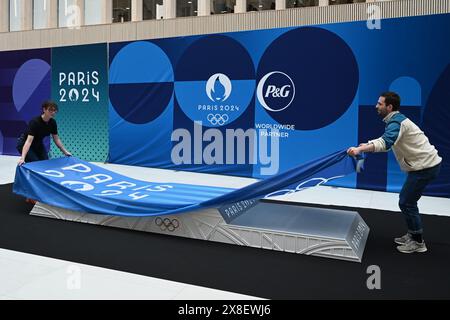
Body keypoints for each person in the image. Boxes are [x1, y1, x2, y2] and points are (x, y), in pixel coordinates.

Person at [347, 92, 442, 254]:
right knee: (407, 201)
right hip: (424, 165)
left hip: (425, 168)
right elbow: (387, 140)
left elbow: (385, 143)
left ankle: (418, 242)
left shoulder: (396, 122)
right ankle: (413, 234)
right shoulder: (396, 120)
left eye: (380, 104)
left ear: (389, 107)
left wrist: (361, 149)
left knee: (406, 202)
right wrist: (367, 144)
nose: (376, 106)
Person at [17, 100, 72, 166]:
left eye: (54, 110)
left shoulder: (53, 123)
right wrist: (22, 158)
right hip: (24, 143)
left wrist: (65, 152)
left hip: (38, 144)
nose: (53, 112)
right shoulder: (35, 122)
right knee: (36, 164)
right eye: (50, 110)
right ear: (44, 109)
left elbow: (56, 139)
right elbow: (28, 141)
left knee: (46, 163)